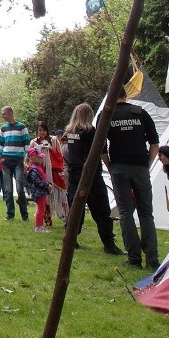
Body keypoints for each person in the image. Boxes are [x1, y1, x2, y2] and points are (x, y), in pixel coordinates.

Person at [100, 91, 160, 270]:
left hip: (119, 166)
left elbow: (102, 148)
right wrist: (147, 165)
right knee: (146, 213)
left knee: (125, 213)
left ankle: (134, 258)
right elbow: (155, 144)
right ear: (126, 96)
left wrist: (110, 167)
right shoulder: (140, 112)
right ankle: (152, 258)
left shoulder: (106, 115)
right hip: (140, 167)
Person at [62, 103, 124, 256]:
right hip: (91, 174)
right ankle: (108, 243)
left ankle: (71, 239)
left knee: (76, 209)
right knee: (101, 210)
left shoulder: (70, 132)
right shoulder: (91, 132)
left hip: (75, 173)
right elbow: (101, 151)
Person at [30, 120, 68, 226]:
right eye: (40, 130)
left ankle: (66, 217)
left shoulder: (54, 140)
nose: (42, 132)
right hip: (41, 172)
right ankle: (47, 218)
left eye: (44, 130)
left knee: (60, 194)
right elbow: (30, 157)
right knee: (44, 196)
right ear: (37, 131)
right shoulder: (34, 142)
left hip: (54, 172)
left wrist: (48, 151)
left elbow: (59, 155)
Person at [0, 106, 29, 221]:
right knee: (8, 189)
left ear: (10, 113)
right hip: (6, 161)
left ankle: (24, 215)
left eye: (3, 113)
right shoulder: (3, 128)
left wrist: (26, 159)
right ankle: (10, 214)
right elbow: (0, 143)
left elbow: (26, 144)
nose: (2, 115)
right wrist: (0, 156)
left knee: (20, 188)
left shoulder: (22, 127)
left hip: (18, 161)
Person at [25, 148, 51, 232]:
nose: (41, 159)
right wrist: (47, 185)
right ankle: (38, 227)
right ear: (32, 158)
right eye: (39, 157)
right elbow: (37, 181)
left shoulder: (37, 168)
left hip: (41, 191)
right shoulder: (33, 170)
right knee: (41, 209)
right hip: (39, 192)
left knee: (42, 208)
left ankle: (40, 226)